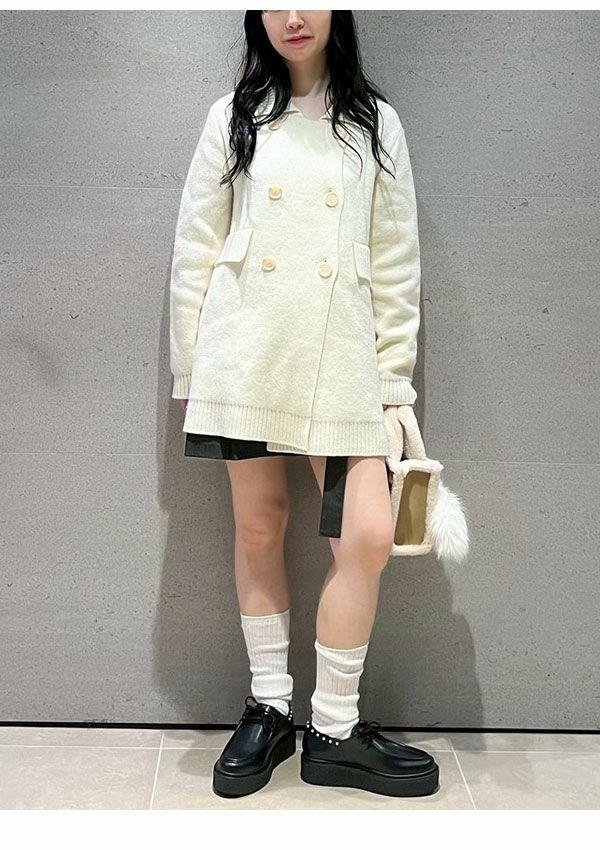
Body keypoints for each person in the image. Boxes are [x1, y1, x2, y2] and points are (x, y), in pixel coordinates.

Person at [169, 10, 439, 799]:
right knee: (260, 524)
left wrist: (393, 384)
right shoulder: (233, 116)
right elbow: (196, 243)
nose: (292, 16)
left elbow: (397, 260)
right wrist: (191, 366)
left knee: (369, 534)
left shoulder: (375, 123)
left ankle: (335, 729)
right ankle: (269, 706)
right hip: (246, 346)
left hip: (340, 355)